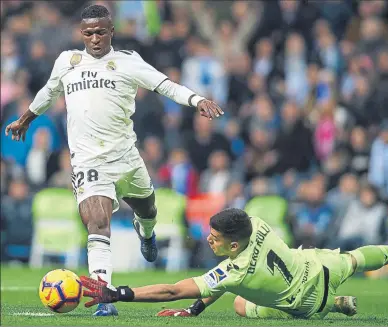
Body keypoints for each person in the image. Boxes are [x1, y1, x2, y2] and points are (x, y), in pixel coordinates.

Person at [4, 4, 224, 316]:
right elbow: (49, 92)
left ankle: (146, 232)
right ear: (82, 33)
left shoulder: (127, 62)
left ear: (112, 32)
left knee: (148, 206)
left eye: (101, 32)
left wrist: (197, 99)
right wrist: (26, 118)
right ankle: (104, 296)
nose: (94, 38)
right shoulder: (67, 61)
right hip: (88, 162)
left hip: (126, 156)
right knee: (97, 222)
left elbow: (164, 84)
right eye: (88, 33)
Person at [80, 208, 388, 320]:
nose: (208, 239)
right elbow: (217, 282)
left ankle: (335, 305)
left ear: (232, 243)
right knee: (356, 258)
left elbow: (173, 290)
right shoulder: (255, 223)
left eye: (214, 237)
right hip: (319, 266)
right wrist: (197, 308)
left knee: (242, 304)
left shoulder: (234, 270)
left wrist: (118, 293)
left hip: (307, 305)